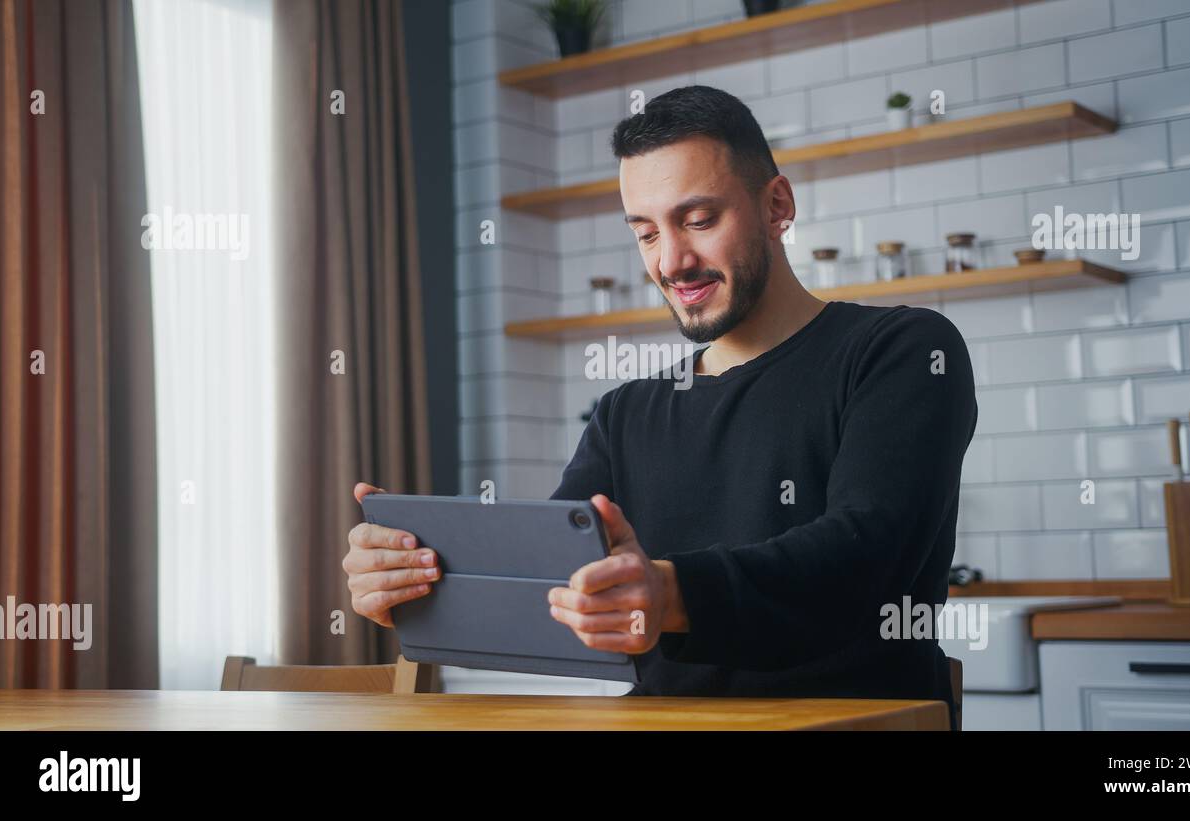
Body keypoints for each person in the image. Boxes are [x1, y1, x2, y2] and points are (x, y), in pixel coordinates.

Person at [343, 85, 976, 727]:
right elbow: (554, 585)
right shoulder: (626, 412)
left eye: (699, 220)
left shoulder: (903, 350)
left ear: (777, 205)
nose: (672, 262)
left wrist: (672, 592)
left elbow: (866, 555)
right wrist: (419, 584)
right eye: (646, 234)